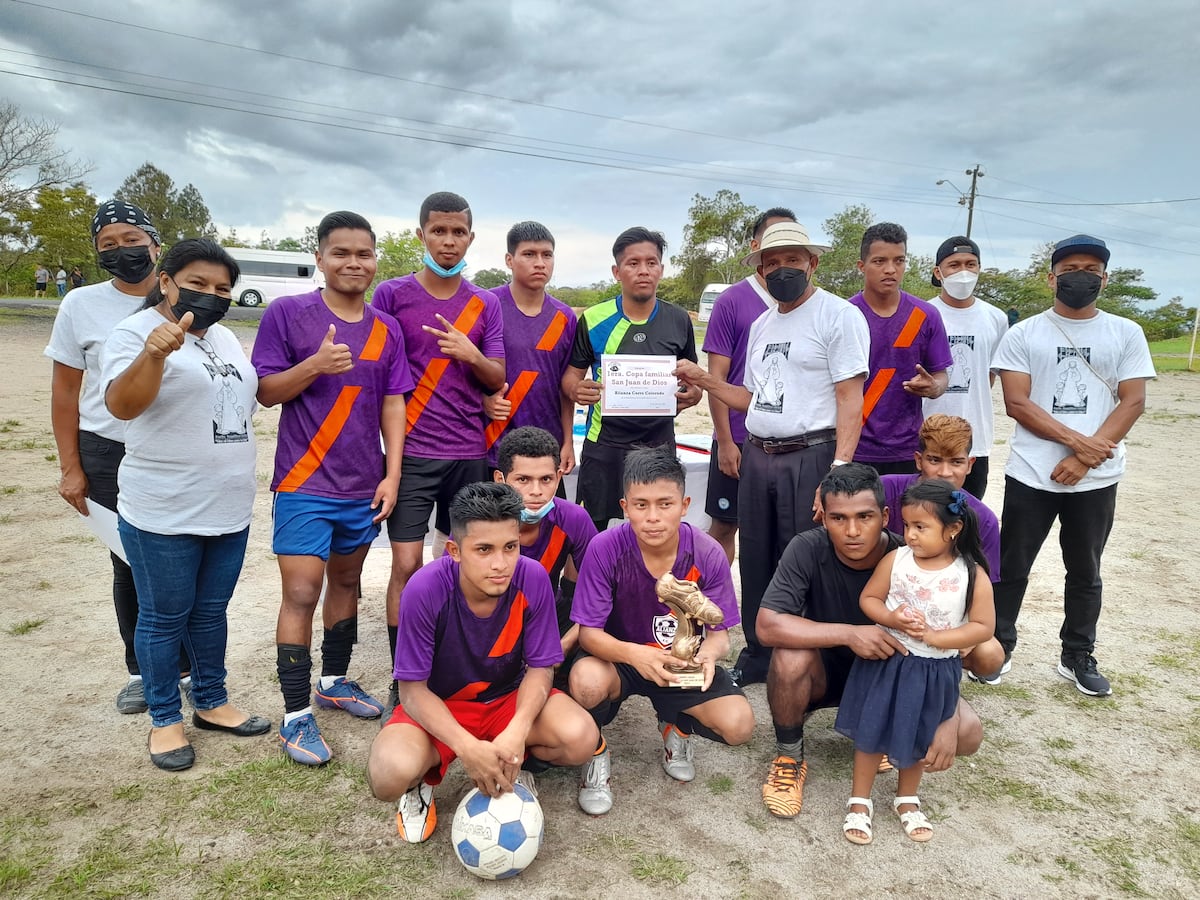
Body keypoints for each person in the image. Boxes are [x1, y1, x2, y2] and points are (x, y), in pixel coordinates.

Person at [675, 221, 870, 687]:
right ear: (760, 270)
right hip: (759, 452)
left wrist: (839, 470)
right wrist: (704, 380)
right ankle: (760, 652)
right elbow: (753, 399)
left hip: (812, 454)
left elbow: (850, 397)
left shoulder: (838, 316)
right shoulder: (763, 325)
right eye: (773, 262)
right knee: (759, 555)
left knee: (806, 555)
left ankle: (811, 653)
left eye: (793, 260)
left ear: (813, 263)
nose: (783, 269)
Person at [101, 238, 269, 771]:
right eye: (198, 284)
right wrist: (153, 354)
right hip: (164, 509)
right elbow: (122, 405)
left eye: (223, 288)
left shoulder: (222, 336)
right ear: (166, 280)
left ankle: (213, 702)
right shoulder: (133, 333)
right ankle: (165, 718)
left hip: (226, 505)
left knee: (210, 613)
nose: (212, 296)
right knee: (162, 617)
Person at [252, 211, 411, 765]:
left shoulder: (387, 328)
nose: (353, 263)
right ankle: (296, 716)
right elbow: (267, 392)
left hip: (364, 485)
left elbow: (395, 401)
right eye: (340, 252)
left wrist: (392, 473)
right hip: (304, 483)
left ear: (375, 260)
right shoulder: (288, 315)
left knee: (347, 584)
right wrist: (315, 366)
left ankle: (335, 680)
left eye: (363, 253)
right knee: (301, 593)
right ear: (319, 257)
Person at [366, 482, 598, 843]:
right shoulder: (424, 589)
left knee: (581, 737)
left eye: (510, 547)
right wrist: (467, 747)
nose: (500, 563)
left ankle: (511, 762)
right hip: (443, 705)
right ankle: (419, 787)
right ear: (455, 551)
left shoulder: (532, 577)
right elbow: (411, 691)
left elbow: (540, 668)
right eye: (484, 550)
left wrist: (518, 730)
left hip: (506, 699)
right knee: (388, 774)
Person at [755, 464, 984, 819]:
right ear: (824, 518)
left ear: (885, 515)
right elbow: (767, 626)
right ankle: (789, 756)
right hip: (826, 672)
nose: (852, 531)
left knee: (968, 731)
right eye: (838, 518)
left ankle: (883, 738)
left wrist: (948, 716)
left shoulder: (917, 560)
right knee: (789, 657)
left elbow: (971, 643)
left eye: (865, 516)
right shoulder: (805, 548)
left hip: (893, 677)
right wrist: (849, 633)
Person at [990, 234, 1154, 697]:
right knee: (1013, 564)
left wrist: (1085, 459)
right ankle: (998, 646)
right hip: (1030, 472)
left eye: (1090, 269)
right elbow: (1017, 403)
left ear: (1104, 277)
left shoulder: (1125, 332)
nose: (1079, 277)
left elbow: (1133, 400)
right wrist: (1077, 443)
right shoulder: (1024, 333)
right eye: (1070, 270)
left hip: (1096, 479)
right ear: (1051, 278)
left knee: (1085, 569)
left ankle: (1077, 653)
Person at [45, 200, 189, 714]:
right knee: (129, 564)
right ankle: (141, 670)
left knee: (185, 561)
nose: (122, 250)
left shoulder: (180, 292)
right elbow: (65, 392)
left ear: (155, 242)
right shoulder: (80, 305)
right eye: (108, 244)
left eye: (131, 239)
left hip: (173, 447)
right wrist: (70, 466)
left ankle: (191, 670)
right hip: (106, 449)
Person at [568, 447, 754, 816]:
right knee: (586, 681)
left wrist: (708, 655)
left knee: (739, 726)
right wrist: (637, 655)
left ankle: (676, 724)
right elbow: (589, 634)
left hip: (679, 663)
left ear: (685, 504)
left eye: (664, 504)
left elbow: (720, 633)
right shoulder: (605, 549)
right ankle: (595, 752)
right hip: (620, 659)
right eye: (641, 505)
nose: (653, 517)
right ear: (624, 506)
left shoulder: (708, 552)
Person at [372, 192, 505, 700]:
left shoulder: (484, 303)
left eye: (458, 232)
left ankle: (451, 664)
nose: (448, 242)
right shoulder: (391, 295)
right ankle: (402, 677)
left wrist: (471, 353)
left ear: (471, 237)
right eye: (438, 231)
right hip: (411, 454)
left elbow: (497, 378)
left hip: (470, 453)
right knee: (406, 565)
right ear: (420, 234)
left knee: (460, 563)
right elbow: (381, 378)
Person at [834, 479, 994, 844]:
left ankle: (907, 798)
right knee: (871, 730)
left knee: (919, 730)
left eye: (921, 527)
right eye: (906, 526)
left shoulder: (970, 574)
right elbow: (869, 599)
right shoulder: (897, 559)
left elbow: (983, 627)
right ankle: (859, 801)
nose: (910, 535)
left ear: (953, 529)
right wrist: (891, 619)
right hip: (888, 660)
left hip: (934, 670)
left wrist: (940, 638)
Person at [562, 227, 701, 533]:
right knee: (595, 531)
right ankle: (593, 583)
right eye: (633, 263)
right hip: (605, 444)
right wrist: (577, 389)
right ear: (617, 271)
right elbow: (570, 380)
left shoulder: (679, 320)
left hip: (659, 444)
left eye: (651, 263)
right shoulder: (594, 319)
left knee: (655, 528)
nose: (643, 271)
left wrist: (694, 394)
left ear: (661, 270)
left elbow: (691, 379)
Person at [700, 207, 796, 563]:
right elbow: (716, 379)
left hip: (789, 442)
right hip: (740, 438)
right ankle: (714, 607)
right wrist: (725, 441)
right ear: (757, 248)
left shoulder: (809, 305)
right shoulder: (731, 302)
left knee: (785, 530)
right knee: (725, 527)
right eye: (774, 243)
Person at [849, 223, 953, 475]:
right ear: (861, 266)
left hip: (908, 449)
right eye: (879, 261)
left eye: (899, 260)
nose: (890, 270)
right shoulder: (845, 315)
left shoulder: (925, 315)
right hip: (853, 448)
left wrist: (934, 387)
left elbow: (940, 376)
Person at [493, 426, 598, 676]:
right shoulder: (477, 522)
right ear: (500, 480)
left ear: (559, 477)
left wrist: (562, 647)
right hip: (490, 619)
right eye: (523, 480)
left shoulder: (574, 519)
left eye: (546, 479)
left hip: (547, 615)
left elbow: (603, 591)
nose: (536, 491)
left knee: (590, 684)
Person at [484, 222, 578, 480]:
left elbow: (565, 387)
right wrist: (484, 400)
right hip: (492, 445)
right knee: (493, 519)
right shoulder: (485, 305)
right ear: (509, 260)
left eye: (547, 255)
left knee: (542, 521)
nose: (540, 263)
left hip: (546, 450)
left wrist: (568, 441)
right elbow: (465, 371)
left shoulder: (565, 317)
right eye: (529, 254)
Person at [880, 414, 1003, 597]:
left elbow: (982, 591)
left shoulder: (984, 520)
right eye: (935, 460)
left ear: (969, 465)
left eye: (956, 462)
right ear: (918, 460)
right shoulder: (884, 490)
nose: (945, 473)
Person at [923, 237, 1009, 499]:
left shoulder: (996, 318)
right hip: (928, 435)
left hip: (975, 441)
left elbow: (989, 375)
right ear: (939, 272)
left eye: (971, 264)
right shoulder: (923, 313)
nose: (963, 272)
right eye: (954, 265)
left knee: (967, 514)